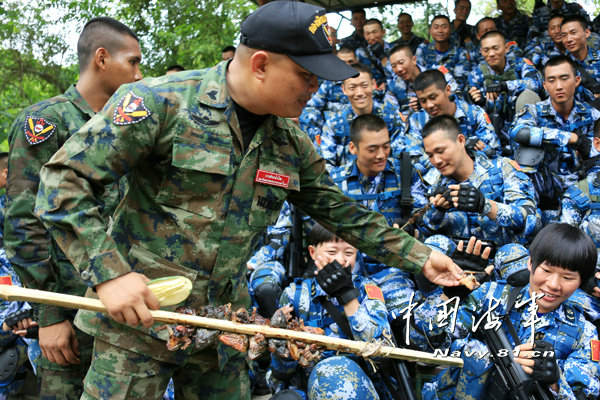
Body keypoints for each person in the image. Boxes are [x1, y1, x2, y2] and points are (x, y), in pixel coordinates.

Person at [33, 3, 461, 399]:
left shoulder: (288, 142)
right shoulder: (161, 104)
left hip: (221, 330)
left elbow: (340, 211)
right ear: (261, 64)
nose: (316, 88)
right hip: (139, 325)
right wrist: (109, 275)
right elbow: (64, 181)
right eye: (306, 76)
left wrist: (419, 256)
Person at [4, 17, 142, 400]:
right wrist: (49, 314)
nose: (138, 74)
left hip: (120, 310)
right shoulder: (47, 121)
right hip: (70, 307)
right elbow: (23, 223)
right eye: (132, 61)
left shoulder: (126, 126)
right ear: (101, 58)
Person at [417, 223, 600, 400]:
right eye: (546, 270)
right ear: (530, 264)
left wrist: (555, 381)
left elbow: (586, 393)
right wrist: (448, 297)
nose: (553, 285)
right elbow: (421, 342)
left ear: (581, 282)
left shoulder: (583, 333)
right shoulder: (489, 296)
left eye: (567, 278)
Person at [268, 223, 394, 400]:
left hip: (358, 386)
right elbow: (280, 373)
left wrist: (347, 296)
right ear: (313, 253)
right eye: (332, 252)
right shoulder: (294, 295)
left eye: (349, 253)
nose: (341, 260)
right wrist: (281, 343)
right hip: (309, 386)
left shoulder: (368, 290)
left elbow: (381, 352)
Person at [418, 115, 539, 247]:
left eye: (441, 151)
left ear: (460, 140)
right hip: (462, 261)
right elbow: (427, 233)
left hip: (508, 258)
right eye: (430, 155)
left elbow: (529, 219)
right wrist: (438, 211)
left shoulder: (503, 168)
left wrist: (484, 205)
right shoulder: (437, 187)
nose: (437, 161)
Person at [509, 55, 600, 224]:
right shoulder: (534, 111)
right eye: (551, 80)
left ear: (577, 80)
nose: (558, 86)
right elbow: (519, 132)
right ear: (545, 85)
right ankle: (530, 213)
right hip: (544, 186)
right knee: (527, 150)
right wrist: (570, 138)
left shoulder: (592, 115)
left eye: (564, 79)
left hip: (580, 186)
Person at [320, 63, 409, 171]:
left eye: (364, 85)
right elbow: (326, 165)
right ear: (344, 89)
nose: (359, 93)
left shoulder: (390, 117)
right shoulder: (333, 124)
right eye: (352, 87)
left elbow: (401, 156)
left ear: (373, 85)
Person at [407, 69, 501, 171]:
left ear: (448, 90)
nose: (429, 105)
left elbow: (494, 153)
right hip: (437, 179)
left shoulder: (474, 114)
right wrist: (463, 151)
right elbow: (417, 161)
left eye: (433, 97)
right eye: (423, 101)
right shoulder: (417, 121)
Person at [468, 31, 543, 153]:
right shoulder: (477, 73)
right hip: (495, 126)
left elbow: (536, 84)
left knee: (528, 96)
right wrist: (480, 101)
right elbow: (475, 106)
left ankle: (530, 146)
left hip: (522, 121)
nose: (491, 54)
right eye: (486, 50)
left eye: (495, 48)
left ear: (506, 48)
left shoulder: (520, 64)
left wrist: (505, 86)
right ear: (481, 52)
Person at [387, 44, 458, 114]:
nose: (398, 69)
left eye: (401, 63)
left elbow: (458, 95)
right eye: (394, 66)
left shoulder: (438, 71)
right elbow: (391, 115)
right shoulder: (393, 86)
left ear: (414, 60)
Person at [415, 15, 471, 92]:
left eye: (444, 27)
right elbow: (418, 75)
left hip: (453, 93)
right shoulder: (423, 50)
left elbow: (460, 81)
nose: (440, 31)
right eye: (436, 27)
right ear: (430, 30)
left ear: (450, 30)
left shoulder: (459, 52)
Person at [561, 15, 600, 105]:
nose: (569, 39)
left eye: (573, 33)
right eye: (564, 35)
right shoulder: (560, 66)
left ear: (586, 33)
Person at [355, 18, 392, 86]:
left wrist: (382, 57)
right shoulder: (360, 53)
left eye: (375, 32)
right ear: (364, 35)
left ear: (383, 32)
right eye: (368, 33)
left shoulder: (394, 49)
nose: (372, 37)